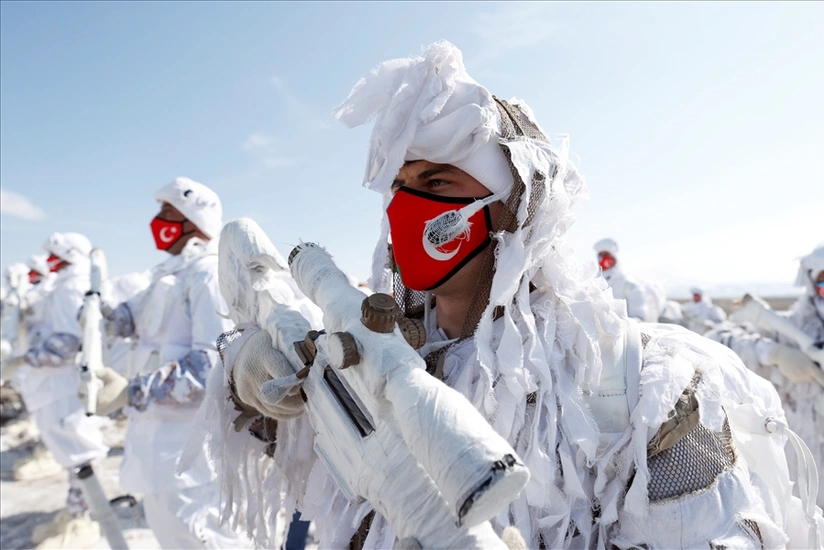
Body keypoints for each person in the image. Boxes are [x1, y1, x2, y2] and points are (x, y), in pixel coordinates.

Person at [213, 42, 822, 549]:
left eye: (436, 182)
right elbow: (300, 445)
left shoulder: (637, 387)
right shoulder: (375, 350)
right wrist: (250, 373)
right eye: (398, 187)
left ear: (510, 208)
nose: (404, 208)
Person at [88, 177, 249, 549]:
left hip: (194, 457)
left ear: (194, 221)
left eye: (168, 213)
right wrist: (98, 312)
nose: (157, 221)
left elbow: (215, 362)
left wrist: (131, 391)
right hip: (157, 450)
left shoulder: (209, 275)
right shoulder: (167, 276)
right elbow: (128, 317)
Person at [706, 244, 824, 507]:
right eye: (823, 279)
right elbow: (717, 340)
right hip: (801, 465)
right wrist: (776, 353)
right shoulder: (788, 328)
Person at [15, 233, 109, 548]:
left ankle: (85, 521)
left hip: (69, 384)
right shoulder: (63, 284)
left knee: (82, 453)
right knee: (73, 455)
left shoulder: (71, 286)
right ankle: (75, 512)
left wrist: (24, 359)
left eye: (54, 254)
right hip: (57, 385)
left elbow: (70, 341)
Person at [593, 238, 660, 322]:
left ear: (614, 256)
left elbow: (639, 317)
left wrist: (622, 327)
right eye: (600, 255)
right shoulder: (594, 282)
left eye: (606, 254)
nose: (603, 258)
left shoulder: (628, 283)